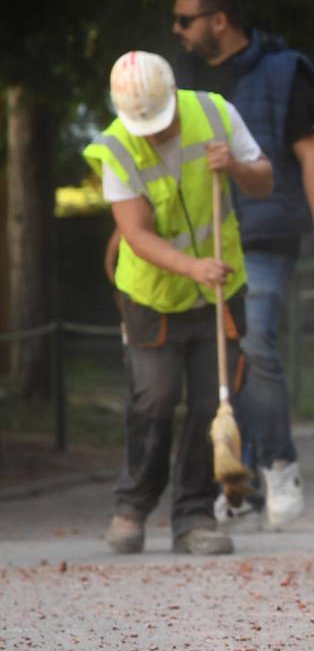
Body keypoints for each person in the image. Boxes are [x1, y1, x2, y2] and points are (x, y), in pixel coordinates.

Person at [169, 0, 314, 529]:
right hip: (200, 239)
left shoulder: (283, 72)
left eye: (185, 20)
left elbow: (311, 154)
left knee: (257, 343)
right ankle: (234, 474)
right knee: (225, 356)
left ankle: (278, 462)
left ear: (218, 20)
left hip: (265, 233)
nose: (177, 31)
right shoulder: (183, 80)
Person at [85, 52, 273, 556]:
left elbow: (265, 179)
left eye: (160, 122)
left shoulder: (214, 113)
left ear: (173, 98)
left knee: (214, 403)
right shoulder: (116, 149)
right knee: (156, 397)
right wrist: (192, 268)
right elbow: (136, 235)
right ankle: (132, 506)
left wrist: (232, 165)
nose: (154, 133)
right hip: (152, 294)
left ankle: (193, 516)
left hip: (221, 287)